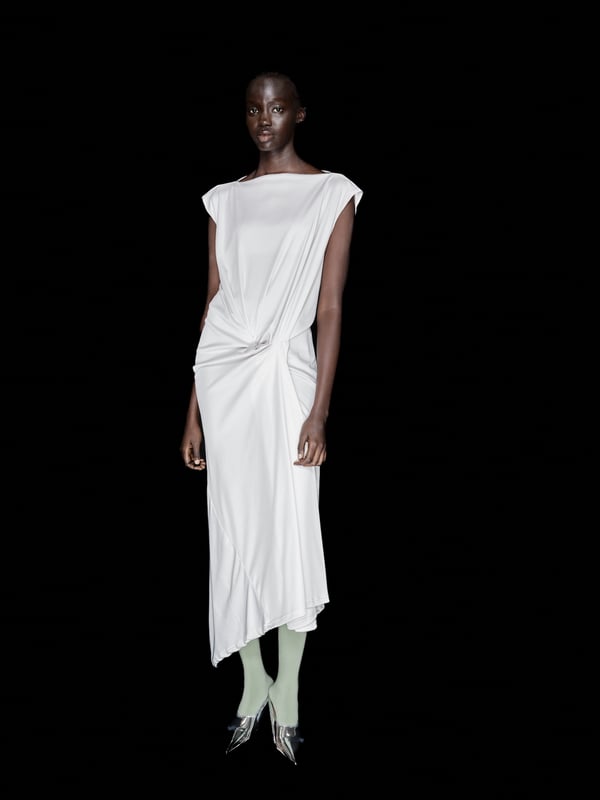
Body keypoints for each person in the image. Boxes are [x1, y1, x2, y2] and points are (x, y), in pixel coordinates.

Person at [179, 70, 362, 764]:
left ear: (300, 114)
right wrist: (194, 412)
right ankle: (253, 682)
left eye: (278, 108)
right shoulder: (223, 200)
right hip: (225, 383)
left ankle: (289, 690)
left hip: (287, 379)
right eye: (255, 109)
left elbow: (331, 308)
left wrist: (319, 412)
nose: (265, 119)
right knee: (236, 531)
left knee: (289, 529)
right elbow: (212, 304)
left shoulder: (330, 193)